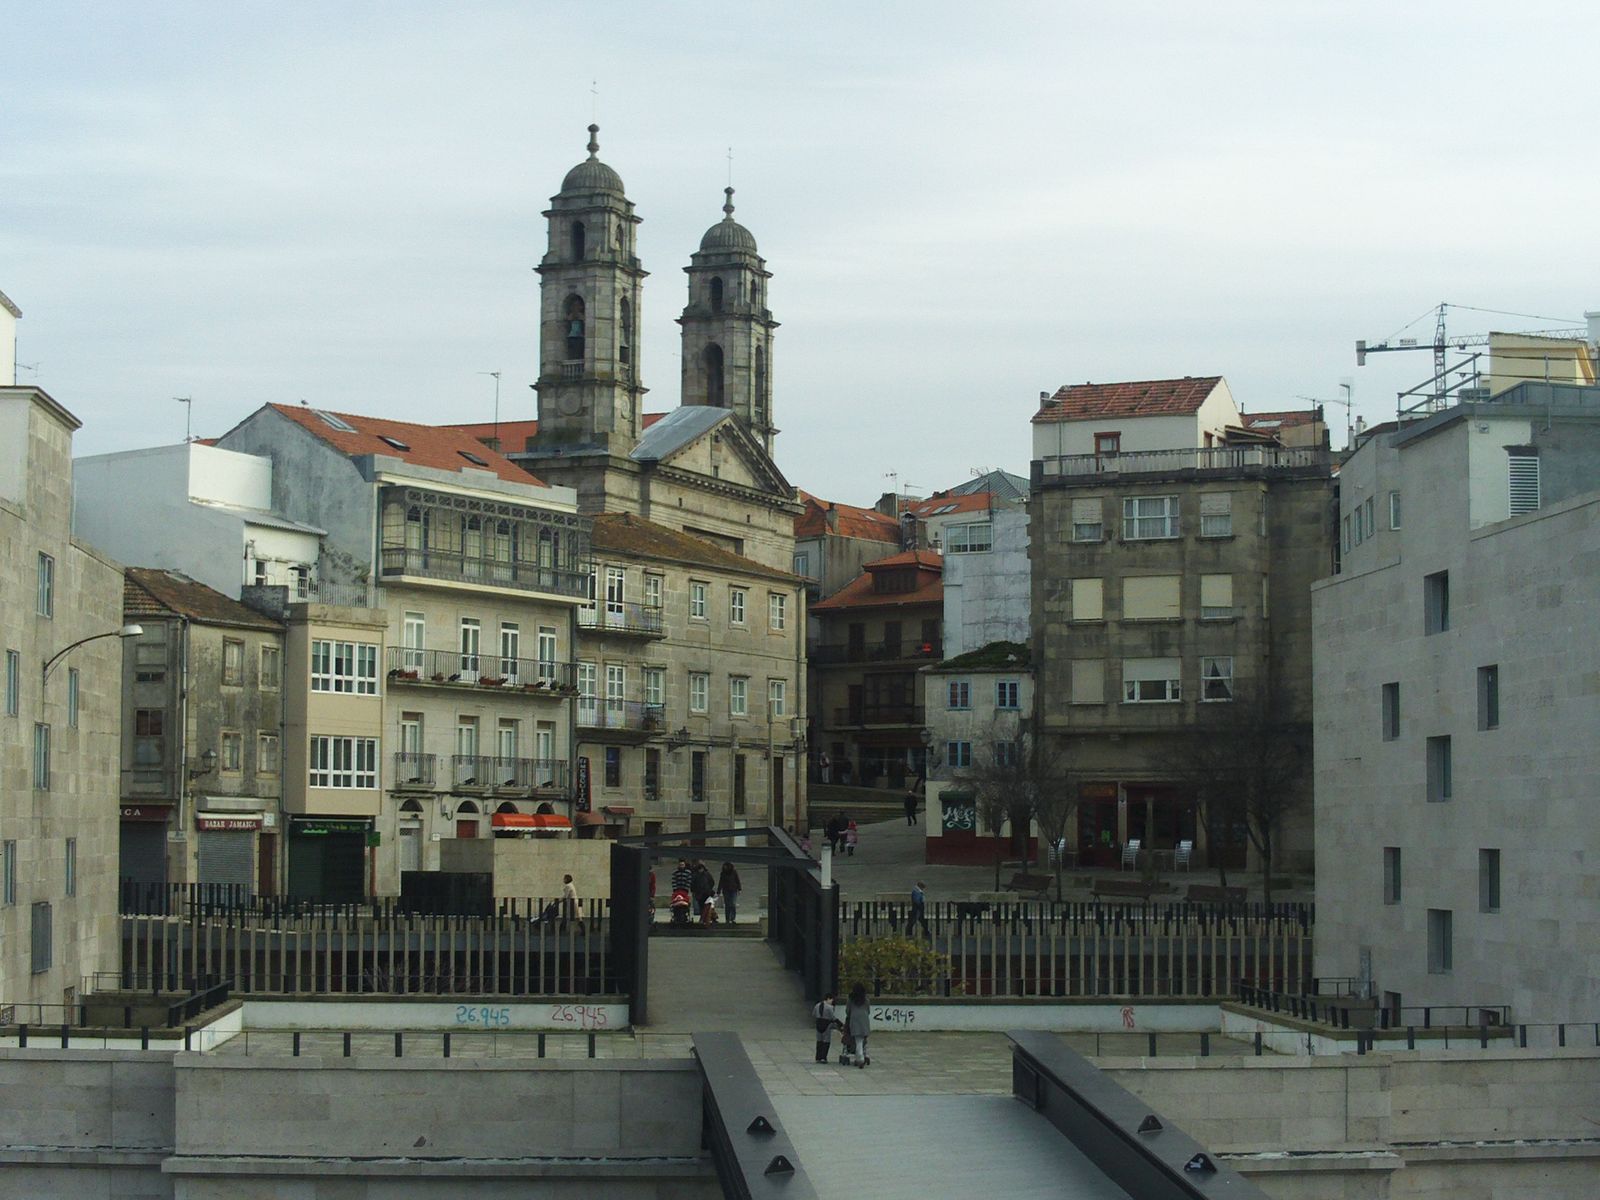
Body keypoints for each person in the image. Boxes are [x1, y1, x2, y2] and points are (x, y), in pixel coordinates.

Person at [844, 983, 871, 1067]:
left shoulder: (851, 999)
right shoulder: (866, 999)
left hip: (855, 1020)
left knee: (858, 1041)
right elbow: (868, 1010)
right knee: (862, 1040)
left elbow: (847, 1011)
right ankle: (862, 1055)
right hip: (864, 1020)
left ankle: (860, 1058)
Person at [811, 992, 839, 1063]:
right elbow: (832, 1017)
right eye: (832, 1000)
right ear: (828, 999)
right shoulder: (830, 1007)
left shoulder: (817, 1005)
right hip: (826, 1024)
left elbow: (813, 1014)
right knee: (826, 1041)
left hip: (818, 1023)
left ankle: (818, 1057)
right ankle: (823, 1057)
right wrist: (839, 1023)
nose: (832, 1002)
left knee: (819, 1041)